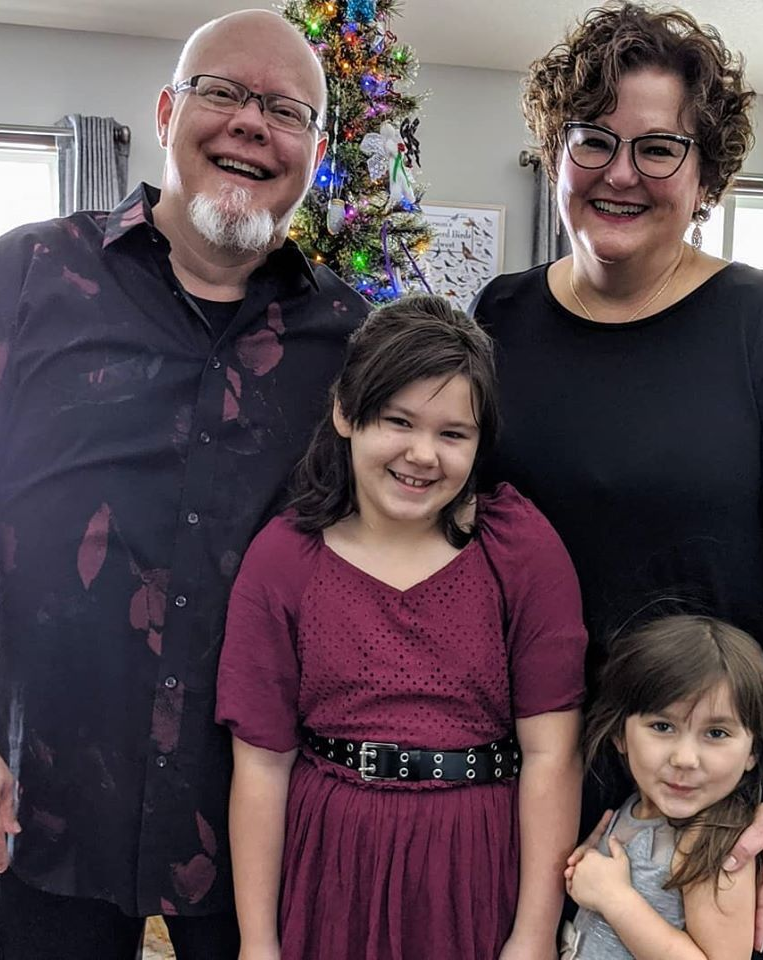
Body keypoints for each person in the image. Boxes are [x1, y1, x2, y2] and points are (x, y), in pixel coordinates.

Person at [0, 9, 369, 959]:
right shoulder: (26, 276)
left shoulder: (349, 337)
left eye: (285, 111)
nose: (251, 123)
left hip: (253, 799)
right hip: (52, 783)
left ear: (314, 154)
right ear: (165, 113)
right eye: (223, 93)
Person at [472, 4, 763, 958]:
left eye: (658, 149)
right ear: (556, 153)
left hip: (727, 793)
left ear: (705, 177)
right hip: (551, 780)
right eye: (595, 140)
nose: (620, 173)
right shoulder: (502, 318)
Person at [215, 294, 588, 960]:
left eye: (453, 434)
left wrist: (533, 934)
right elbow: (263, 766)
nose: (423, 454)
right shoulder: (284, 559)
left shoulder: (520, 549)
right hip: (331, 866)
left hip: (472, 867)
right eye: (398, 421)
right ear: (346, 412)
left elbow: (551, 755)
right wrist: (258, 943)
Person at [562, 615, 763, 959]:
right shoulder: (633, 808)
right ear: (620, 734)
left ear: (752, 751)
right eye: (662, 727)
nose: (685, 758)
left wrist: (614, 898)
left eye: (716, 733)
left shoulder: (711, 843)